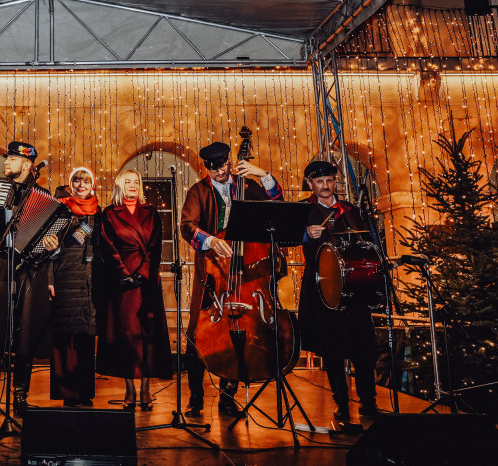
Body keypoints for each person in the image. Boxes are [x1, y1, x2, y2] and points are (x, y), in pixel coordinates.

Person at [179, 141, 283, 417]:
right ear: (207, 168)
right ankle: (196, 397)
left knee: (241, 332)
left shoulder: (247, 186)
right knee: (196, 332)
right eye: (213, 169)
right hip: (212, 273)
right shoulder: (198, 191)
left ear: (229, 161)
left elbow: (276, 204)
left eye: (223, 166)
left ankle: (228, 396)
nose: (220, 172)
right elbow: (187, 226)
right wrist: (210, 240)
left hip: (245, 271)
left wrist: (264, 175)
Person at [0, 141, 58, 417]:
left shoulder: (44, 196)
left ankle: (19, 396)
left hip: (29, 272)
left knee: (24, 335)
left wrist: (51, 246)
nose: (6, 162)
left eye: (13, 158)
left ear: (28, 164)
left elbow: (47, 238)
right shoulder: (0, 192)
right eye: (7, 157)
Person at [299, 159, 380, 432]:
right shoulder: (304, 210)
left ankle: (369, 402)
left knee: (363, 349)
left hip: (355, 288)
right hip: (324, 289)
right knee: (333, 350)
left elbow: (367, 242)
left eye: (329, 180)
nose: (325, 186)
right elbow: (288, 238)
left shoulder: (350, 210)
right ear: (310, 183)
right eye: (319, 181)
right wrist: (306, 234)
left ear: (335, 181)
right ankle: (342, 405)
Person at [96, 169, 172, 411]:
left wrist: (142, 273)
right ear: (120, 185)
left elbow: (155, 246)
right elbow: (107, 247)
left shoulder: (151, 212)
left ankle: (146, 389)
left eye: (136, 181)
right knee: (126, 336)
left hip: (147, 281)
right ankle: (129, 389)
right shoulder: (109, 213)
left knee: (148, 335)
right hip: (121, 283)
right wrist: (123, 274)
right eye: (127, 181)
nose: (132, 185)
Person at [46, 167, 100, 407]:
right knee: (64, 338)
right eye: (76, 181)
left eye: (85, 182)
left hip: (89, 281)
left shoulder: (98, 212)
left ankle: (84, 392)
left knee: (86, 339)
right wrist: (49, 279)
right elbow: (48, 247)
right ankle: (67, 393)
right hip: (65, 277)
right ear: (71, 185)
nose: (81, 185)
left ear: (92, 186)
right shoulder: (59, 210)